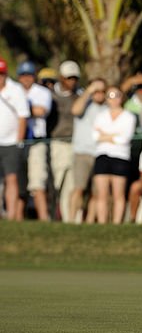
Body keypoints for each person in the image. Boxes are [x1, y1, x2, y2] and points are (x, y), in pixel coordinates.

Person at [93, 86, 137, 223]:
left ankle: (117, 223)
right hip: (102, 155)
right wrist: (114, 135)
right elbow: (95, 136)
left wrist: (105, 135)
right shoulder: (100, 116)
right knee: (102, 194)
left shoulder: (129, 117)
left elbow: (124, 139)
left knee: (119, 194)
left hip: (120, 157)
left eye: (116, 95)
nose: (113, 99)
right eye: (110, 96)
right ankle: (102, 223)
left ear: (121, 97)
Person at [15, 61, 52, 222]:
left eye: (29, 75)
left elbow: (41, 110)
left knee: (37, 182)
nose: (26, 78)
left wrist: (21, 109)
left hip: (36, 141)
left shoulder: (42, 92)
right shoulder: (14, 90)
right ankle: (16, 220)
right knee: (18, 183)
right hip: (16, 141)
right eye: (23, 75)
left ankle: (43, 219)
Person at [48, 60, 82, 221]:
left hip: (75, 144)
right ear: (61, 78)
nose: (72, 81)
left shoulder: (80, 95)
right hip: (57, 144)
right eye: (69, 78)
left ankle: (70, 219)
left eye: (74, 78)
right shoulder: (51, 95)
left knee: (71, 185)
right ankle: (52, 216)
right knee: (57, 183)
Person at [69, 80, 108, 223]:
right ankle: (71, 220)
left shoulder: (107, 108)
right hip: (82, 152)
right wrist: (89, 91)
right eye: (96, 91)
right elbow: (75, 110)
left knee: (96, 192)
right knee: (79, 188)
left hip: (101, 153)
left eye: (102, 91)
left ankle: (90, 222)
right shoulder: (84, 103)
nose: (99, 94)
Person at [0, 59, 30, 220]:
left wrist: (19, 141)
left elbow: (22, 117)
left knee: (11, 178)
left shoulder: (16, 90)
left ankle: (11, 215)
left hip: (11, 143)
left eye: (1, 74)